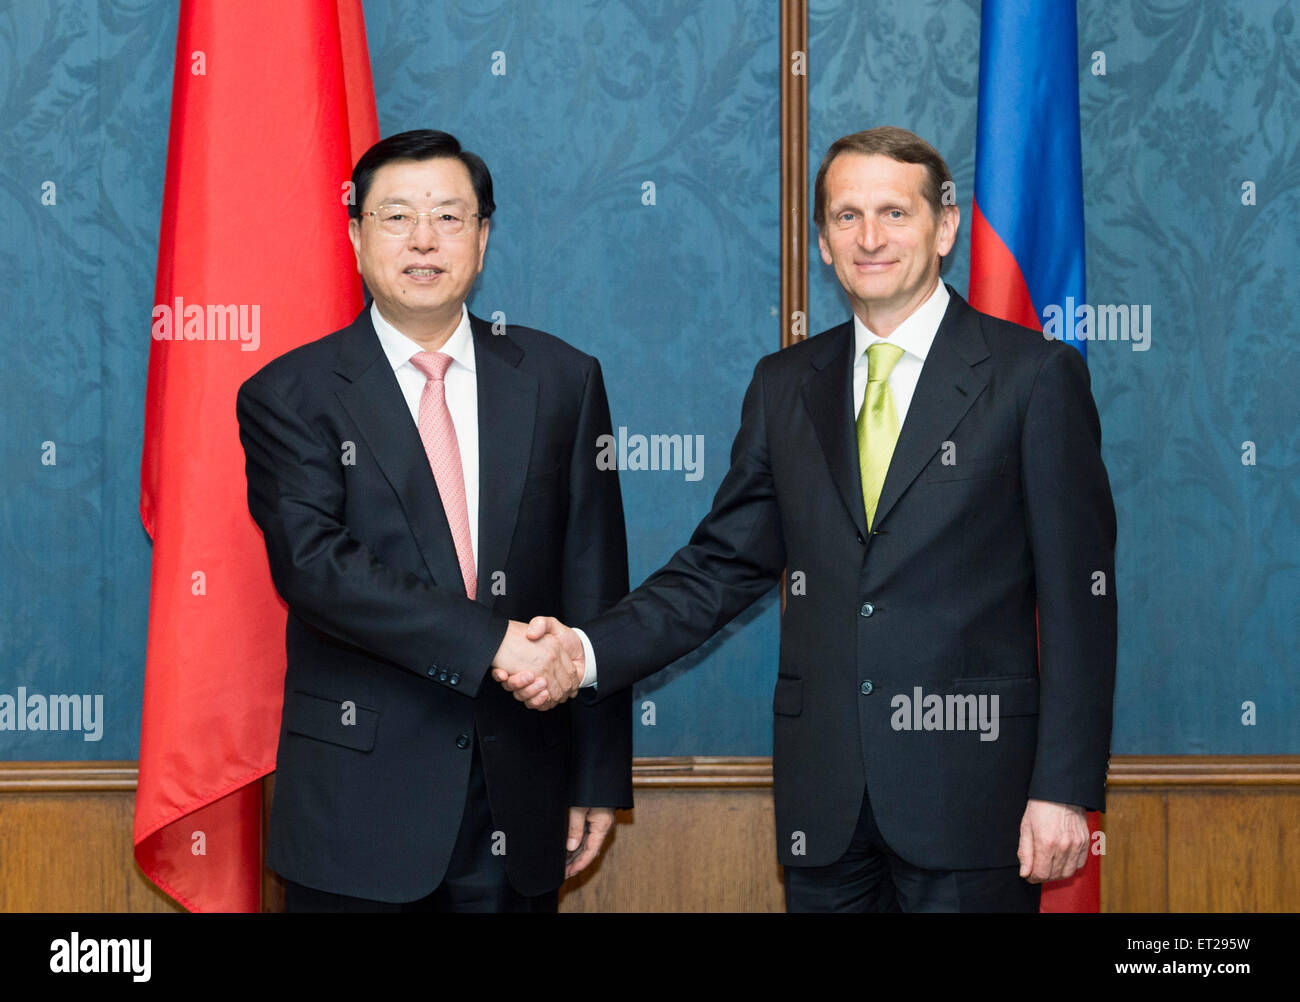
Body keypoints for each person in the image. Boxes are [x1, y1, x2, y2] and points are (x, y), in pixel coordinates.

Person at [502, 127, 1117, 913]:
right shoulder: (786, 384)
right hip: (825, 809)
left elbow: (1080, 602)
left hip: (976, 801)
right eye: (846, 216)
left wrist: (1062, 787)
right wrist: (583, 652)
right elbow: (719, 568)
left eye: (895, 213)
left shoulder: (1036, 377)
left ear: (946, 227)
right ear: (823, 242)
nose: (870, 238)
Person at [236, 129, 630, 912]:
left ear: (483, 239)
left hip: (520, 799)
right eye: (396, 218)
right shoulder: (291, 393)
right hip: (359, 810)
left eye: (450, 217)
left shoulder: (561, 380)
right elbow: (318, 569)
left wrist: (595, 773)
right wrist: (493, 643)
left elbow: (594, 581)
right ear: (354, 236)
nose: (424, 240)